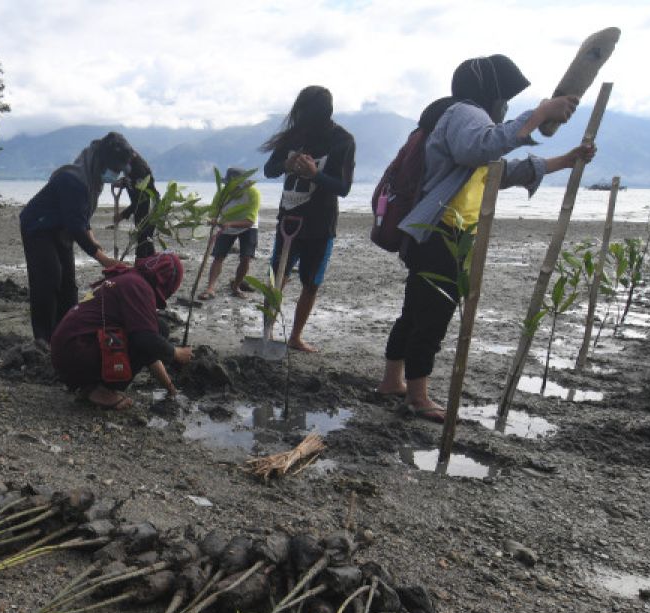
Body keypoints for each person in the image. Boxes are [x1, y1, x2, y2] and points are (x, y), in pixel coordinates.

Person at [376, 55, 594, 421]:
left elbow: (501, 171)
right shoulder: (466, 113)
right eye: (505, 98)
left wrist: (566, 160)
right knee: (433, 316)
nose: (505, 106)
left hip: (434, 232)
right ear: (491, 92)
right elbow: (481, 148)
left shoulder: (461, 118)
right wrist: (539, 114)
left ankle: (392, 381)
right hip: (442, 232)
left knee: (414, 311)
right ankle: (418, 397)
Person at [262, 86, 355, 352]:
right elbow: (269, 170)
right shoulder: (293, 136)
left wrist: (315, 174)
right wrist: (286, 165)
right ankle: (267, 332)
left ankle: (295, 336)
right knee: (275, 278)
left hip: (320, 224)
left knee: (311, 282)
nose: (299, 118)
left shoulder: (342, 141)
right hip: (288, 220)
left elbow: (344, 188)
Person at [20, 132, 135, 348]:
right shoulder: (74, 180)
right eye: (115, 168)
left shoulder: (92, 180)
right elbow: (75, 225)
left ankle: (66, 334)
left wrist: (93, 238)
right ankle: (43, 338)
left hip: (60, 227)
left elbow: (81, 217)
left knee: (68, 284)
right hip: (38, 226)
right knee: (48, 278)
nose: (116, 173)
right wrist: (103, 259)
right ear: (102, 161)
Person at [51, 253, 193, 411]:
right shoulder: (138, 286)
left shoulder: (131, 278)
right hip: (77, 352)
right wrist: (176, 353)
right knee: (154, 332)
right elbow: (145, 340)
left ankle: (90, 387)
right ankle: (103, 391)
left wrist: (170, 387)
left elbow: (150, 350)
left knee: (158, 328)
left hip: (68, 350)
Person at [199, 167, 262, 300]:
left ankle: (236, 286)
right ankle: (210, 288)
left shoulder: (253, 193)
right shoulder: (222, 193)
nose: (233, 188)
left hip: (247, 225)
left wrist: (231, 223)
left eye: (237, 185)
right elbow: (213, 212)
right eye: (230, 185)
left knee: (246, 257)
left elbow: (250, 221)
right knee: (218, 256)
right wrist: (213, 220)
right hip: (226, 225)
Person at [113, 152, 158, 258]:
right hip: (140, 209)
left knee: (143, 241)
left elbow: (142, 199)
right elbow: (131, 181)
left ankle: (141, 267)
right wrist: (122, 183)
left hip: (149, 208)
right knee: (145, 241)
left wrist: (123, 215)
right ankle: (151, 266)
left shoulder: (139, 169)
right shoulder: (128, 168)